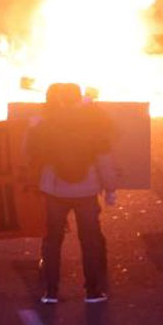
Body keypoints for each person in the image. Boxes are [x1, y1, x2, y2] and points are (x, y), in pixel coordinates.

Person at [25, 83, 117, 304]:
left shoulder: (46, 124)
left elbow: (29, 153)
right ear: (78, 99)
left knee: (52, 240)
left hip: (54, 191)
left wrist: (33, 129)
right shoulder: (92, 124)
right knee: (90, 240)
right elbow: (104, 160)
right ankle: (92, 291)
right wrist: (110, 188)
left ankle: (51, 292)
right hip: (86, 192)